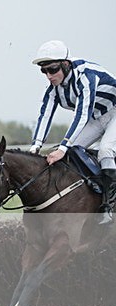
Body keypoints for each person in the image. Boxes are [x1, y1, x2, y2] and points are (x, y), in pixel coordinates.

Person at [28, 40, 116, 225]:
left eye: (53, 69)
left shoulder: (86, 77)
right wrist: (35, 147)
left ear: (66, 64)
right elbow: (45, 116)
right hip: (97, 116)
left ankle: (109, 206)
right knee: (72, 150)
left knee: (105, 149)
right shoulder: (53, 89)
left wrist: (62, 147)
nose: (49, 76)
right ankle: (92, 192)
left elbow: (82, 115)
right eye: (44, 71)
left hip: (112, 112)